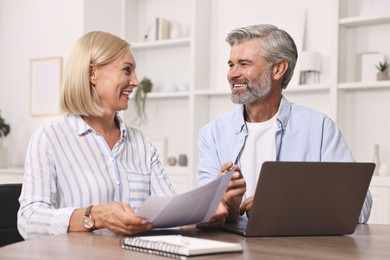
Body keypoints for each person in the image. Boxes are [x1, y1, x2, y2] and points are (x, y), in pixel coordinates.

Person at [196, 24, 372, 228]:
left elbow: (360, 206)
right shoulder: (212, 134)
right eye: (231, 65)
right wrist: (229, 206)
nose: (232, 74)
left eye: (244, 64)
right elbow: (205, 212)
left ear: (278, 69)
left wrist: (290, 206)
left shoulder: (320, 128)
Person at [17, 31, 175, 239]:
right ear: (93, 73)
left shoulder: (142, 144)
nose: (136, 81)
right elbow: (29, 219)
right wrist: (95, 216)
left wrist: (210, 208)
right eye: (127, 70)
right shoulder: (48, 139)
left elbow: (170, 211)